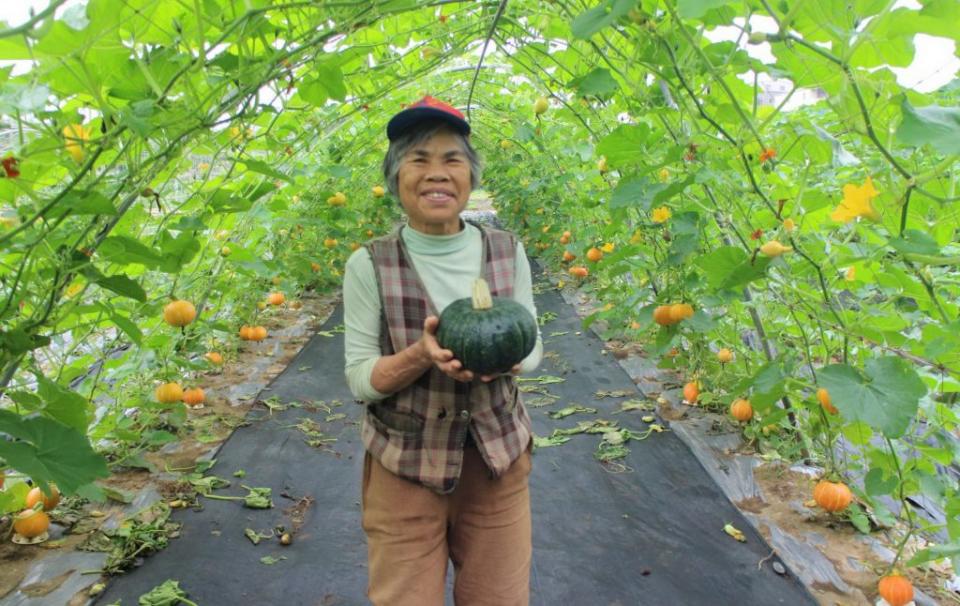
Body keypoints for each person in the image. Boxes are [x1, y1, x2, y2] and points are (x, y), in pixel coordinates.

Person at [342, 95, 543, 606]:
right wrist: (420, 356)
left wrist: (508, 358)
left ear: (471, 177)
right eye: (419, 159)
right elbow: (361, 378)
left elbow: (533, 345)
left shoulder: (506, 250)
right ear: (396, 178)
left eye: (452, 159)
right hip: (407, 468)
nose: (437, 173)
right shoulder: (369, 265)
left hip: (496, 463)